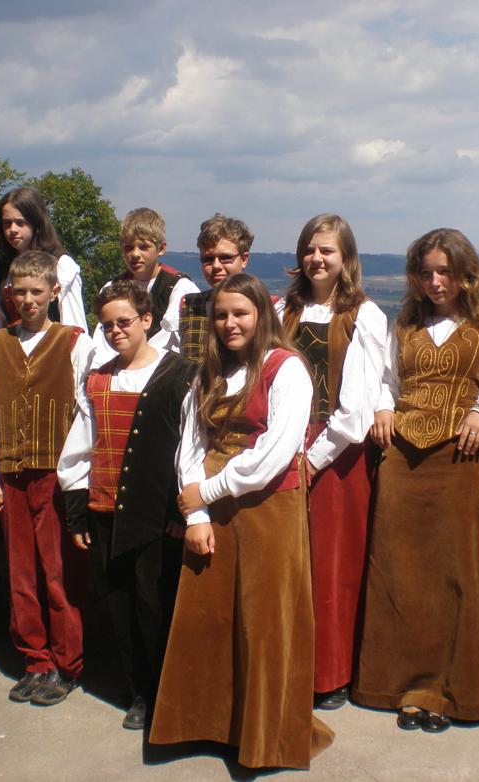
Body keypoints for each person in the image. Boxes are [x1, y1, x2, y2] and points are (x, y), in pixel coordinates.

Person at [149, 273, 334, 770]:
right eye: (221, 315)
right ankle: (209, 725)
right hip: (212, 511)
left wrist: (206, 493)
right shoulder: (208, 372)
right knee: (210, 619)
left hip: (267, 511)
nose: (230, 323)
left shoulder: (286, 369)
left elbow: (275, 453)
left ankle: (265, 736)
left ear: (261, 315)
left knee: (262, 622)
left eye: (241, 313)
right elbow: (191, 446)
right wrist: (197, 514)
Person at [352, 228, 479, 732]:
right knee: (400, 573)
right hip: (401, 459)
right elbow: (385, 380)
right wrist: (382, 407)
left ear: (466, 274)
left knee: (457, 574)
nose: (435, 281)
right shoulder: (404, 324)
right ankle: (399, 686)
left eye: (445, 271)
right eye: (425, 272)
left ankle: (451, 692)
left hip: (462, 459)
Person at [58, 280, 195, 730]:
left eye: (124, 322)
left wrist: (181, 510)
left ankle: (161, 693)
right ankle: (138, 689)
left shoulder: (182, 374)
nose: (116, 331)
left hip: (157, 515)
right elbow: (80, 449)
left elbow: (190, 448)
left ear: (147, 320)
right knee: (120, 603)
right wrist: (77, 511)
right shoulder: (97, 380)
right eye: (107, 325)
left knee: (155, 604)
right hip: (106, 509)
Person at [277, 214, 387, 708]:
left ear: (346, 258)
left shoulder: (364, 315)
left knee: (330, 564)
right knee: (286, 561)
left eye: (327, 251)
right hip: (281, 443)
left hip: (336, 453)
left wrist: (312, 460)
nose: (316, 259)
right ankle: (288, 663)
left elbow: (356, 409)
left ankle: (330, 673)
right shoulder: (281, 309)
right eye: (310, 249)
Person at [0, 250, 95, 706]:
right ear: (9, 294)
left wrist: (77, 477)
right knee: (21, 574)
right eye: (20, 292)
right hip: (11, 471)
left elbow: (85, 413)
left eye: (37, 292)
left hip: (55, 474)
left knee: (59, 573)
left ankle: (68, 664)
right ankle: (35, 660)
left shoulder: (73, 343)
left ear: (54, 292)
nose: (28, 300)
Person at [0, 187, 88, 362]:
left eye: (20, 223)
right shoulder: (1, 267)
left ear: (36, 224)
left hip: (50, 356)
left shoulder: (61, 265)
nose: (12, 229)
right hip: (11, 355)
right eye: (7, 223)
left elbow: (73, 322)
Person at [91, 207, 199, 365]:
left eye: (144, 247)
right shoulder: (112, 288)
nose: (135, 254)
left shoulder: (179, 288)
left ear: (161, 248)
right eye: (128, 247)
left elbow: (175, 342)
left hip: (164, 370)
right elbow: (101, 345)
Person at [177, 214, 252, 363]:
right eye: (208, 259)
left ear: (243, 260)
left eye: (225, 258)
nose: (216, 266)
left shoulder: (263, 306)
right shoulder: (189, 306)